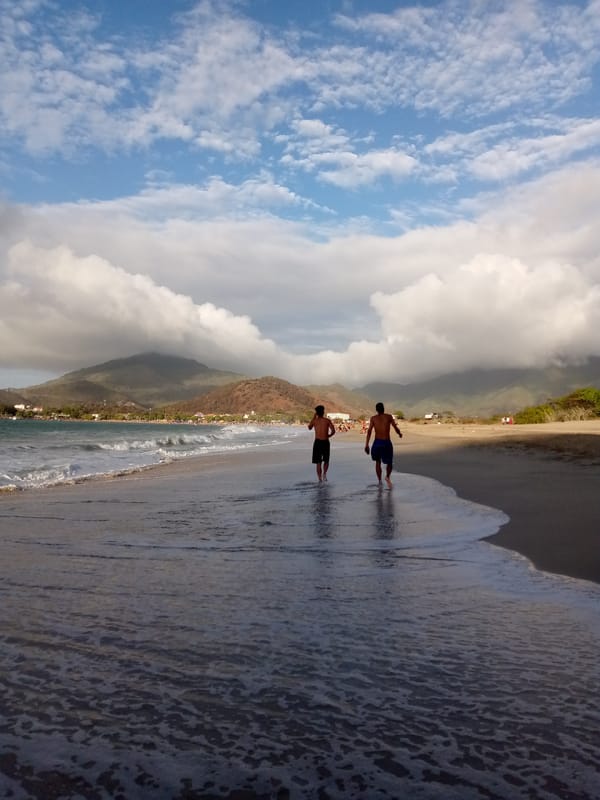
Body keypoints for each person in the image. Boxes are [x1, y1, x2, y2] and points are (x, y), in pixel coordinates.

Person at [364, 402, 402, 488]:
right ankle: (387, 477)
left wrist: (366, 444)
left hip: (377, 442)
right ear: (383, 408)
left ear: (376, 410)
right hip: (386, 442)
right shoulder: (388, 417)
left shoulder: (373, 418)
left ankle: (380, 481)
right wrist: (399, 433)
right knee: (389, 463)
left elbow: (369, 431)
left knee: (378, 462)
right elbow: (395, 427)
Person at [308, 405, 335, 481]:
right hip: (325, 442)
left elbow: (309, 427)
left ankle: (319, 478)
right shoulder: (327, 421)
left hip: (317, 442)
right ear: (323, 412)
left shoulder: (314, 421)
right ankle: (324, 474)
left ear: (316, 413)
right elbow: (333, 431)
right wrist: (328, 436)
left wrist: (314, 417)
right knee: (326, 460)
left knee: (318, 462)